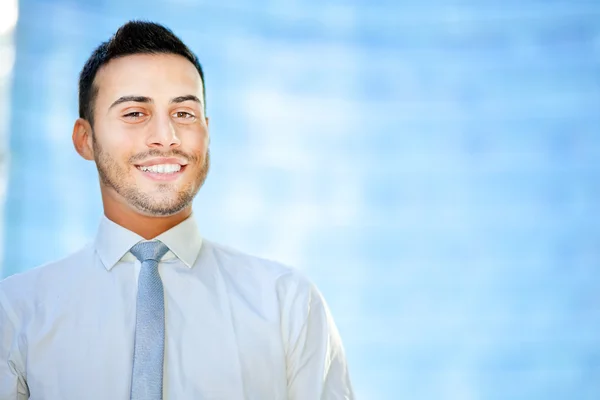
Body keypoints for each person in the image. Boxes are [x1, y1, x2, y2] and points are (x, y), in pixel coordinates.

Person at [0, 21, 354, 399]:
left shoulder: (289, 305)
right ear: (85, 139)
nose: (166, 137)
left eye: (184, 113)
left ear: (207, 130)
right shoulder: (16, 312)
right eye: (135, 113)